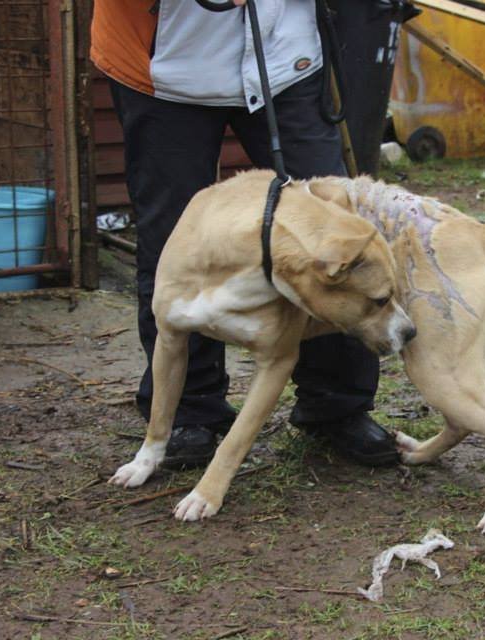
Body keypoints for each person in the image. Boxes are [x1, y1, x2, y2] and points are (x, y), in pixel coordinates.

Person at [90, 0, 398, 467]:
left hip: (287, 59)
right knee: (171, 239)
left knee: (333, 234)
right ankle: (190, 411)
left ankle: (337, 405)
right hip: (163, 70)